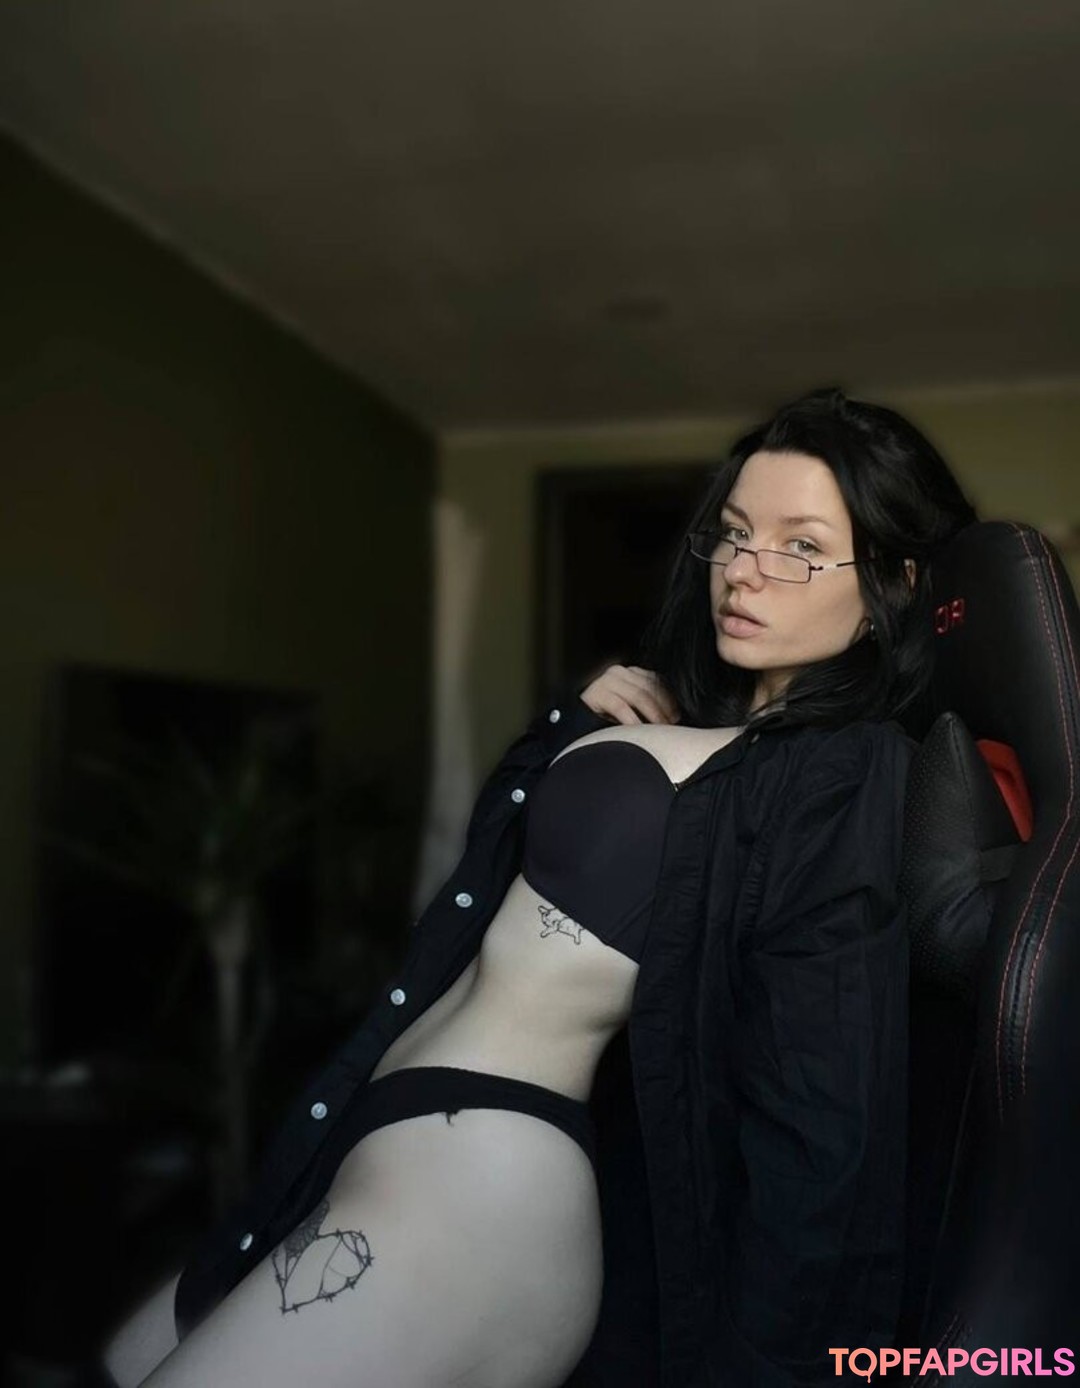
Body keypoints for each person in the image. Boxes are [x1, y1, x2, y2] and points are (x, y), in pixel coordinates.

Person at [103, 387, 977, 1388]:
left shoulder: (842, 774)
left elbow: (822, 1099)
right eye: (735, 533)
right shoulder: (706, 724)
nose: (744, 570)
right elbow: (494, 879)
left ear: (892, 584)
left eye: (801, 547)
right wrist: (576, 726)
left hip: (481, 1175)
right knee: (131, 1357)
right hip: (375, 1130)